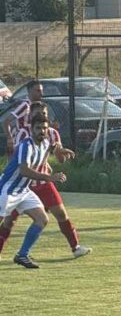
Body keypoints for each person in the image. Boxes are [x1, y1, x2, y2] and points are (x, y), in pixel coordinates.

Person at [0, 102, 91, 260]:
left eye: (44, 113)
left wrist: (61, 152)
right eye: (38, 113)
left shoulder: (52, 133)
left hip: (43, 184)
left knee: (59, 214)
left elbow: (55, 151)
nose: (42, 115)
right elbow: (18, 161)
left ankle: (75, 247)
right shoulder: (23, 134)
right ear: (31, 117)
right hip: (21, 184)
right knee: (8, 221)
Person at [0, 109, 68, 269]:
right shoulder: (26, 145)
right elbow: (24, 170)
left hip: (23, 191)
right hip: (7, 190)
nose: (42, 131)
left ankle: (22, 255)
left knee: (42, 219)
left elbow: (50, 148)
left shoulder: (44, 143)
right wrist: (49, 177)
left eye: (44, 128)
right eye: (38, 128)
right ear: (32, 129)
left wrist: (59, 150)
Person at [1, 78, 43, 154]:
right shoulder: (25, 105)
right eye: (38, 91)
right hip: (21, 142)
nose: (41, 93)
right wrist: (9, 138)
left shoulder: (37, 106)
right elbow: (6, 122)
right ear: (30, 91)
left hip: (31, 142)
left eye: (41, 90)